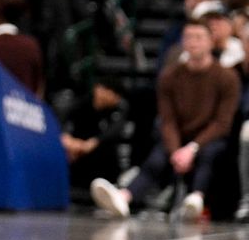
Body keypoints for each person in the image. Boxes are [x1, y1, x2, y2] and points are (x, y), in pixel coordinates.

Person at [91, 22, 240, 221]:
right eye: (188, 37)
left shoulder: (227, 77)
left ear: (211, 42)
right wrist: (178, 150)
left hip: (210, 137)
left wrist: (192, 148)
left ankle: (196, 198)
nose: (193, 42)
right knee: (157, 158)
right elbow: (167, 120)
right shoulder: (170, 76)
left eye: (199, 37)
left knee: (209, 154)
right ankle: (124, 197)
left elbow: (222, 123)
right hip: (179, 137)